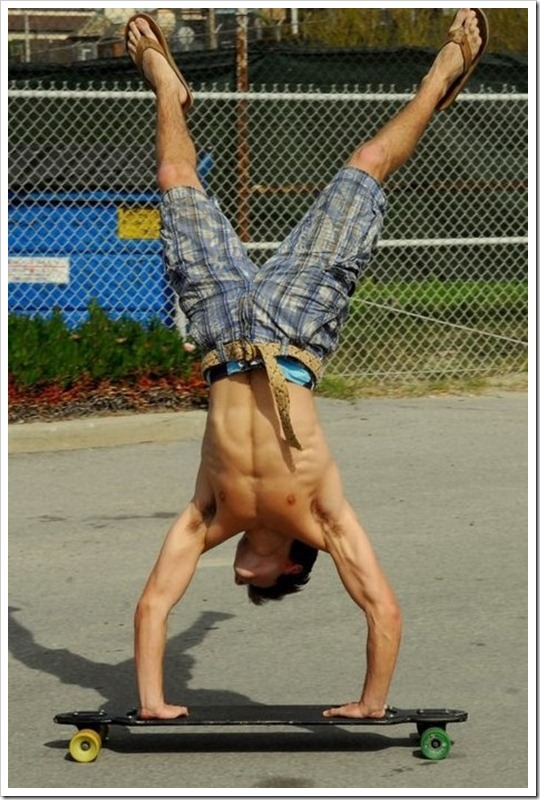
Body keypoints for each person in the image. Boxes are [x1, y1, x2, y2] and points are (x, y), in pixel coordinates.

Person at [125, 9, 488, 721]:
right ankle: (443, 75)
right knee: (365, 167)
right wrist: (373, 703)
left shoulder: (208, 517)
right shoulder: (324, 516)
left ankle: (166, 85)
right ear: (290, 563)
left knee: (173, 176)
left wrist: (152, 702)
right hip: (296, 327)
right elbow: (382, 607)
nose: (240, 581)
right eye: (258, 584)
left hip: (220, 332)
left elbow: (153, 603)